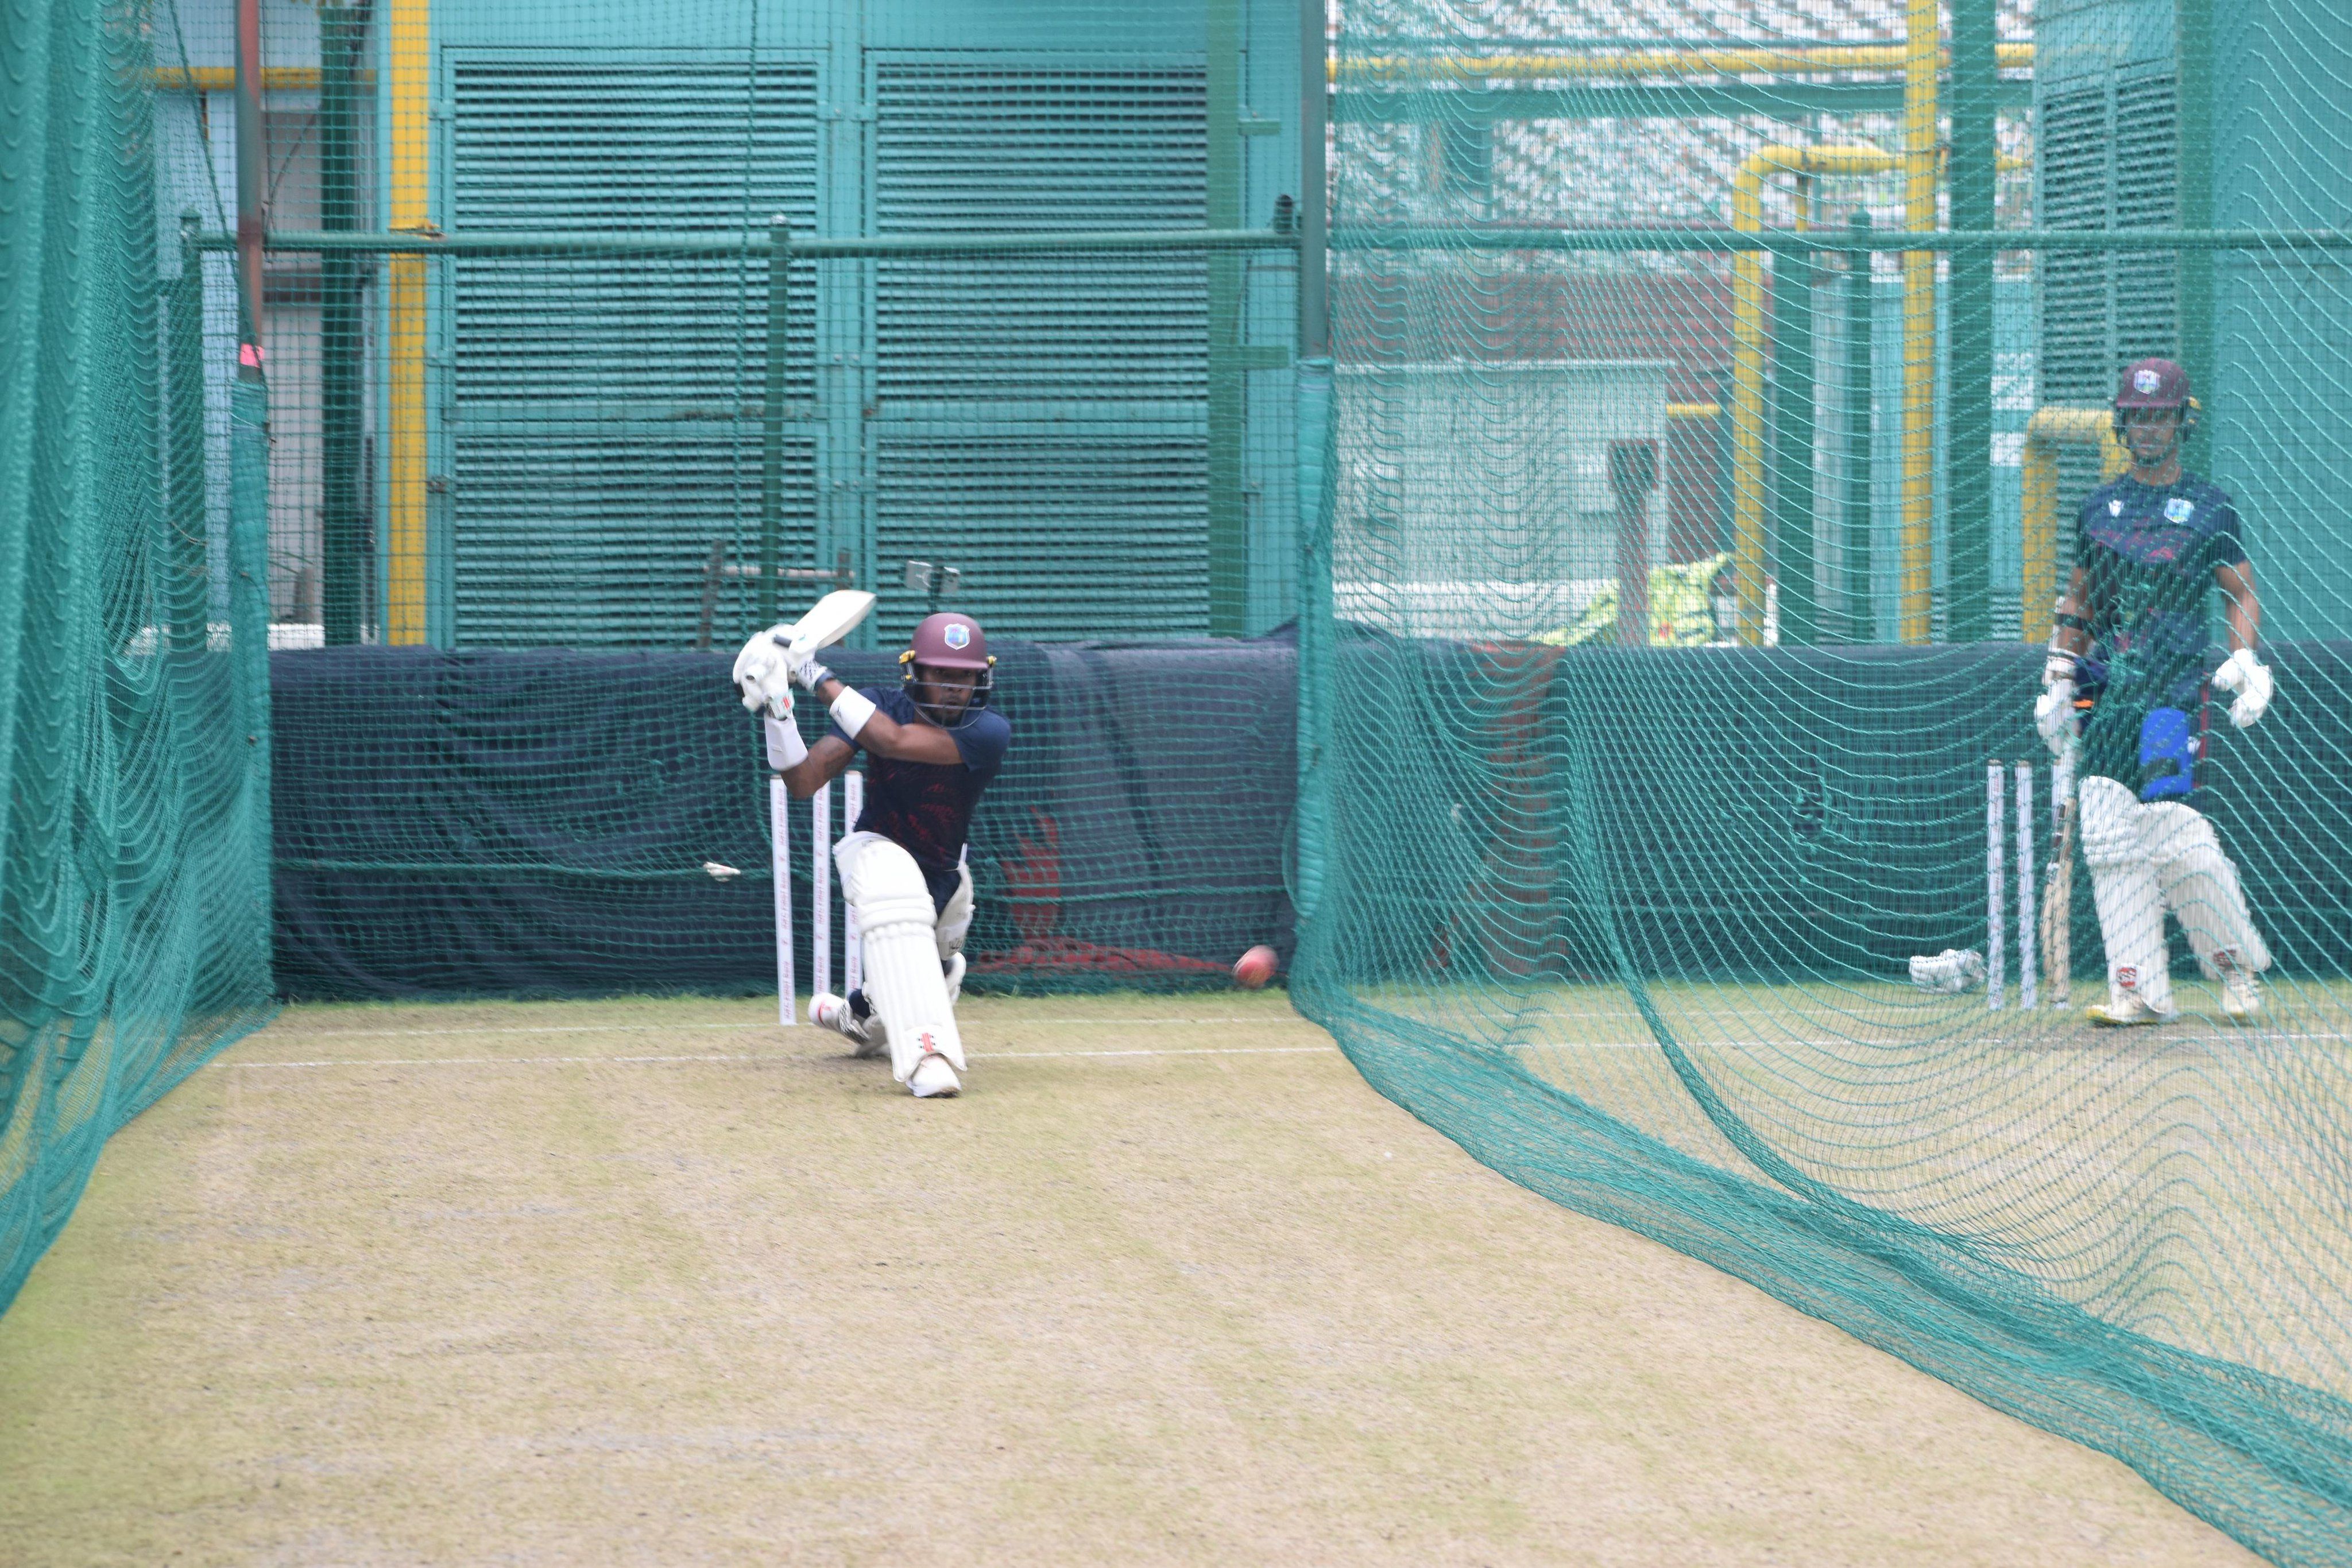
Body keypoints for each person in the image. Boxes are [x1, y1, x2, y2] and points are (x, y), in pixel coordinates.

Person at [2037, 358, 2274, 1025]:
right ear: (2121, 422)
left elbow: (2241, 590)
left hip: (2172, 692)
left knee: (2169, 828)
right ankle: (2137, 989)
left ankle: (2234, 971)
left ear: (2180, 421)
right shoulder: (2096, 507)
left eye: (2159, 414)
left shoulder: (2209, 506)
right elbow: (2079, 601)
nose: (2147, 426)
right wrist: (2058, 678)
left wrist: (2245, 658)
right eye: (2137, 415)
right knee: (2108, 834)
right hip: (2107, 692)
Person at [736, 611, 1010, 1095]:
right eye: (941, 673)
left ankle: (852, 1013)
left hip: (945, 873)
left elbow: (893, 740)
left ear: (980, 679)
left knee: (932, 978)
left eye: (963, 676)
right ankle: (929, 1057)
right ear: (916, 672)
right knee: (894, 887)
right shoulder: (880, 705)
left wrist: (812, 673)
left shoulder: (989, 732)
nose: (952, 686)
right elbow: (803, 781)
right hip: (875, 848)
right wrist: (779, 708)